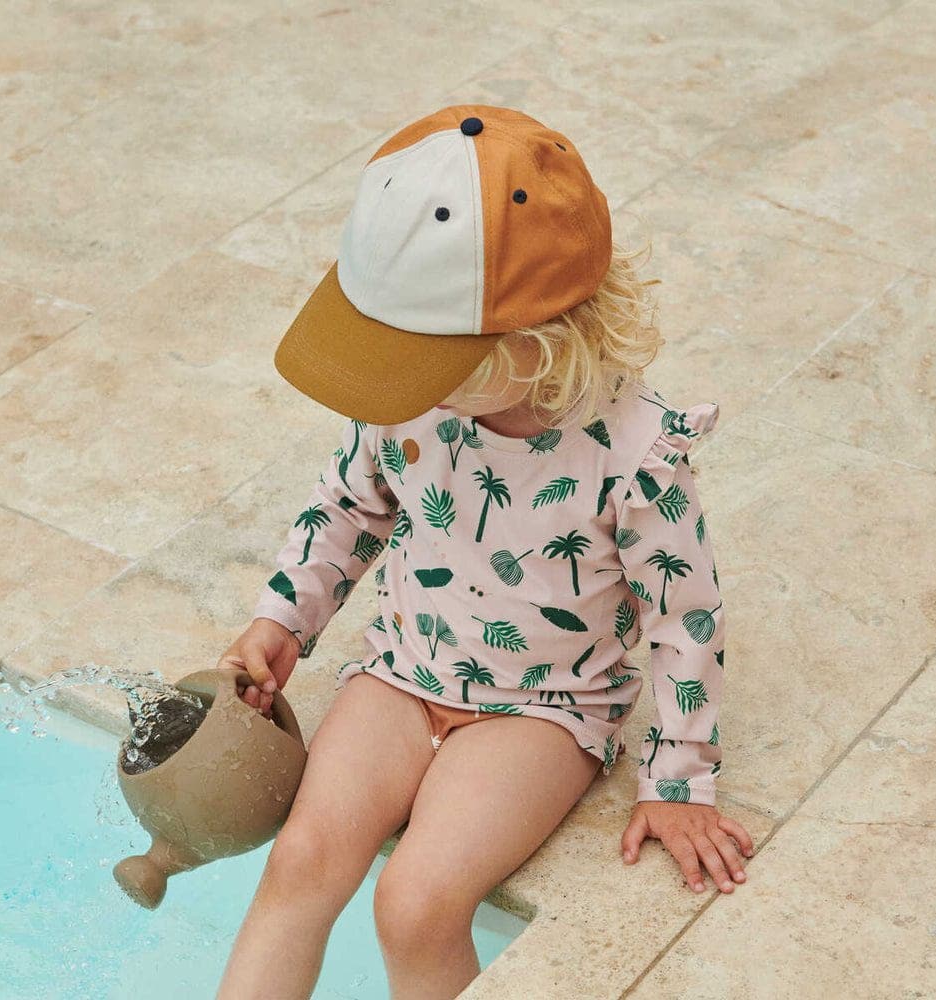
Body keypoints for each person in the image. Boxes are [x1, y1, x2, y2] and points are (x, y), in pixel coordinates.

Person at [215, 104, 754, 1000]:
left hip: (541, 710)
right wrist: (281, 621)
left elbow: (685, 617)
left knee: (416, 905)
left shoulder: (635, 453)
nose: (388, 378)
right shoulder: (405, 400)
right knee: (300, 861)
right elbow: (349, 506)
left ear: (537, 339)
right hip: (400, 677)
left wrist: (677, 780)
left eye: (410, 356)